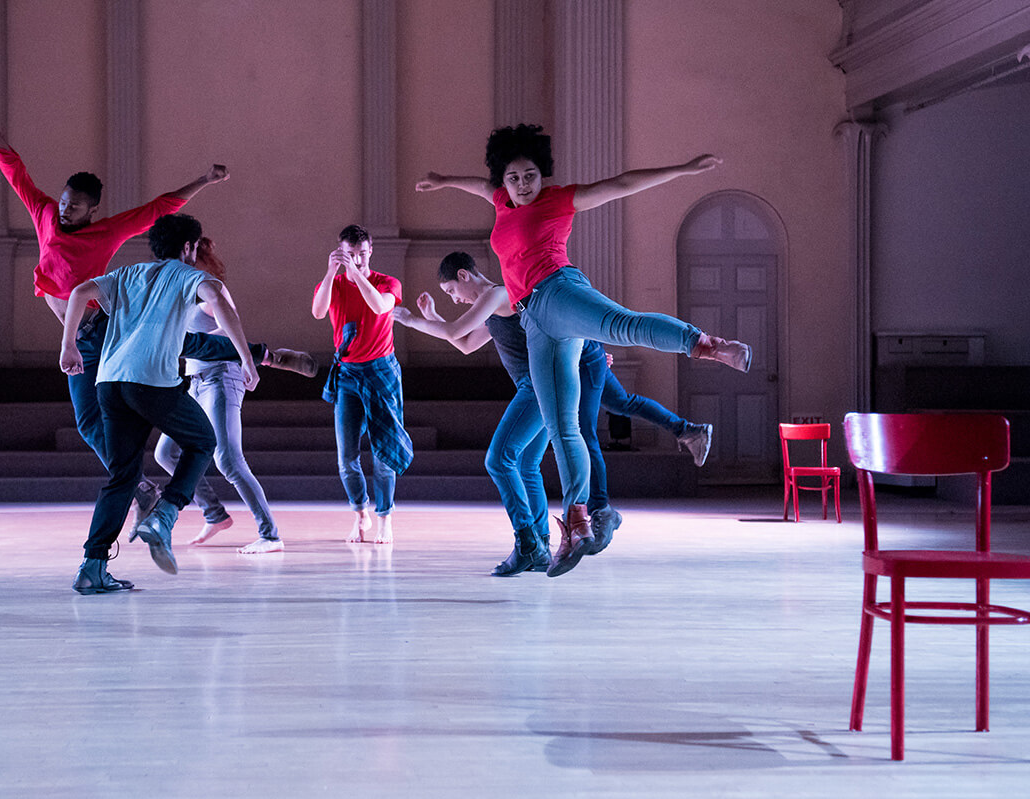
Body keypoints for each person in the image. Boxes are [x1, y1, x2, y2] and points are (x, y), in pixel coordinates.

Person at [416, 124, 749, 576]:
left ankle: (707, 344)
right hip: (535, 320)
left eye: (530, 175)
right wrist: (444, 181)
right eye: (514, 178)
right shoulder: (501, 200)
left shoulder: (555, 201)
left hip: (558, 290)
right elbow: (483, 185)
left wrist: (682, 170)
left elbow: (620, 185)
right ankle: (577, 523)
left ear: (542, 174)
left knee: (622, 325)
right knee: (561, 429)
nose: (523, 185)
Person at [0, 110, 314, 529]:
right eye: (64, 203)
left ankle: (263, 356)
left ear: (92, 212)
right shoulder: (44, 214)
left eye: (76, 208)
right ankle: (146, 483)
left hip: (101, 329)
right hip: (79, 338)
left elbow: (159, 209)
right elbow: (17, 175)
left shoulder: (108, 232)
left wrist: (204, 180)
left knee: (173, 347)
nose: (65, 211)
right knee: (98, 413)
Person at [394, 252, 711, 576]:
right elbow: (463, 344)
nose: (455, 299)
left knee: (499, 460)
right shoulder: (492, 308)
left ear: (464, 275)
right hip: (540, 387)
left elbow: (454, 331)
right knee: (528, 464)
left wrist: (409, 319)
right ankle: (540, 546)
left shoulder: (498, 294)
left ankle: (528, 542)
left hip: (537, 387)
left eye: (451, 292)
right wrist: (432, 317)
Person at [60, 213, 258, 594]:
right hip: (151, 380)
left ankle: (92, 567)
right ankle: (165, 514)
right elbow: (218, 299)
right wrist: (246, 360)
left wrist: (68, 344)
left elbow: (79, 291)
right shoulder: (187, 276)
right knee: (202, 441)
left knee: (122, 477)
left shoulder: (128, 274)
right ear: (188, 247)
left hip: (109, 381)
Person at [154, 238, 283, 554]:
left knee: (228, 459)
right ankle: (214, 513)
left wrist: (245, 359)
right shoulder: (180, 292)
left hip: (221, 378)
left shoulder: (210, 287)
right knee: (165, 453)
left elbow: (231, 327)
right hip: (193, 382)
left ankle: (270, 535)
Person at [312, 225, 413, 544]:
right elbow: (317, 312)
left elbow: (381, 307)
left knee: (383, 453)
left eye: (362, 254)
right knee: (346, 455)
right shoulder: (337, 284)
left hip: (381, 370)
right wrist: (331, 273)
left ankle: (385, 517)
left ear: (370, 251)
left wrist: (357, 274)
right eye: (350, 255)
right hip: (348, 375)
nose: (357, 259)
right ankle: (360, 513)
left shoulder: (387, 282)